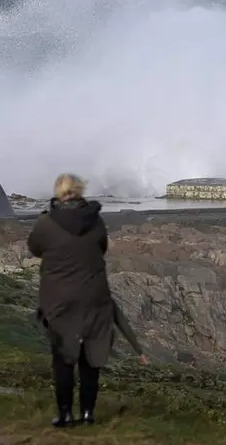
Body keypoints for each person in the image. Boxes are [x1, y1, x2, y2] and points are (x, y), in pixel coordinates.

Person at [27, 173, 147, 428]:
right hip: (93, 297)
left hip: (60, 299)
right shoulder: (96, 222)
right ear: (81, 191)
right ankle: (88, 414)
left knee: (64, 358)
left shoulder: (46, 224)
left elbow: (34, 249)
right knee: (91, 358)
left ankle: (65, 414)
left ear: (58, 192)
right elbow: (101, 248)